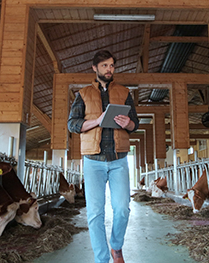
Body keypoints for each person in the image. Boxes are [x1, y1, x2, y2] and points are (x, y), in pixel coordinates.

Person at [68, 50, 139, 263]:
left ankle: (116, 246)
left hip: (118, 160)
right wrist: (97, 121)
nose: (109, 69)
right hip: (93, 162)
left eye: (112, 66)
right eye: (105, 66)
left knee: (122, 210)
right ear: (95, 68)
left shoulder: (125, 93)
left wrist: (129, 124)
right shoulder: (83, 94)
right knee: (95, 213)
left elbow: (135, 124)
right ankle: (102, 259)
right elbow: (73, 124)